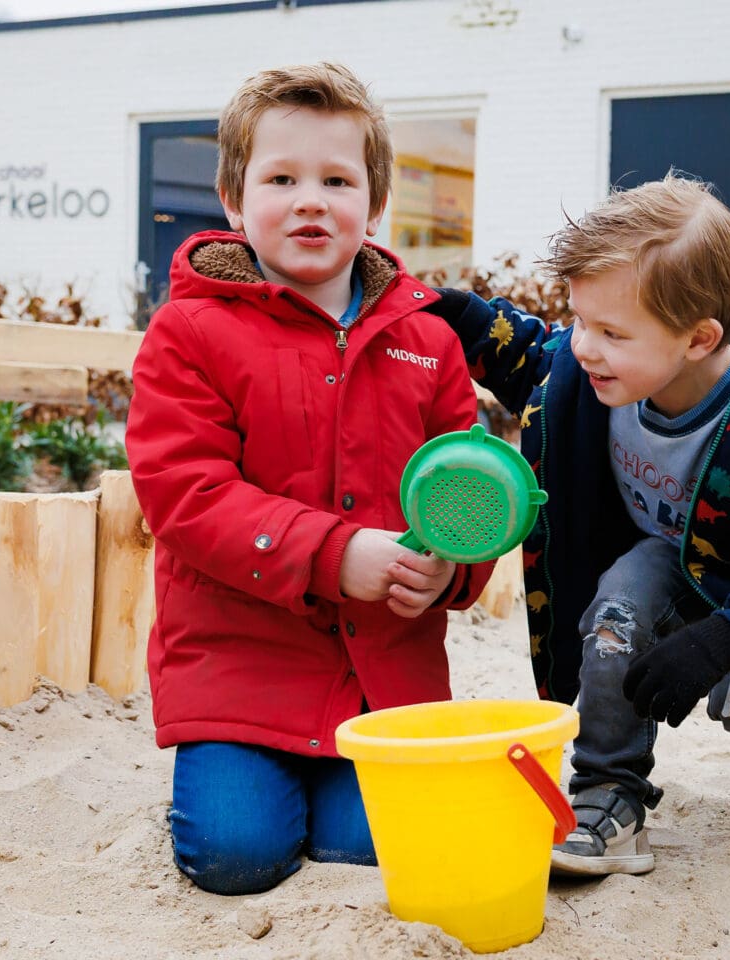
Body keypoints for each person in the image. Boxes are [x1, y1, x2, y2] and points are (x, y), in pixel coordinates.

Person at [427, 173, 730, 876]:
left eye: (610, 332)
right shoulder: (604, 369)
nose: (583, 345)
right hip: (661, 556)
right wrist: (443, 309)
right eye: (581, 320)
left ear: (699, 337)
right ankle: (606, 796)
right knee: (614, 616)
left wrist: (725, 638)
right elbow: (527, 354)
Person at [125, 62, 493, 896]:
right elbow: (185, 492)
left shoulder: (425, 341)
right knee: (234, 857)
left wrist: (450, 568)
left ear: (374, 201)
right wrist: (331, 555)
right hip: (241, 670)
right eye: (281, 178)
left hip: (384, 679)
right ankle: (226, 790)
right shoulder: (191, 331)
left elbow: (465, 485)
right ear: (232, 198)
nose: (310, 200)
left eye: (337, 179)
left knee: (369, 848)